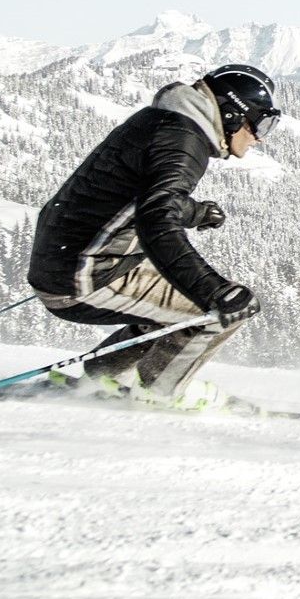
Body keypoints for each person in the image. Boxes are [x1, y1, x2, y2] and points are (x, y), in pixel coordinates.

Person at [27, 64, 279, 404]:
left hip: (65, 260)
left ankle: (102, 377)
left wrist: (194, 211)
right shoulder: (183, 141)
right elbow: (156, 219)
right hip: (85, 274)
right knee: (218, 311)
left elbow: (139, 194)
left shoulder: (163, 123)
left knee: (172, 310)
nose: (260, 136)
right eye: (262, 122)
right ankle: (160, 393)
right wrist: (213, 290)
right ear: (233, 113)